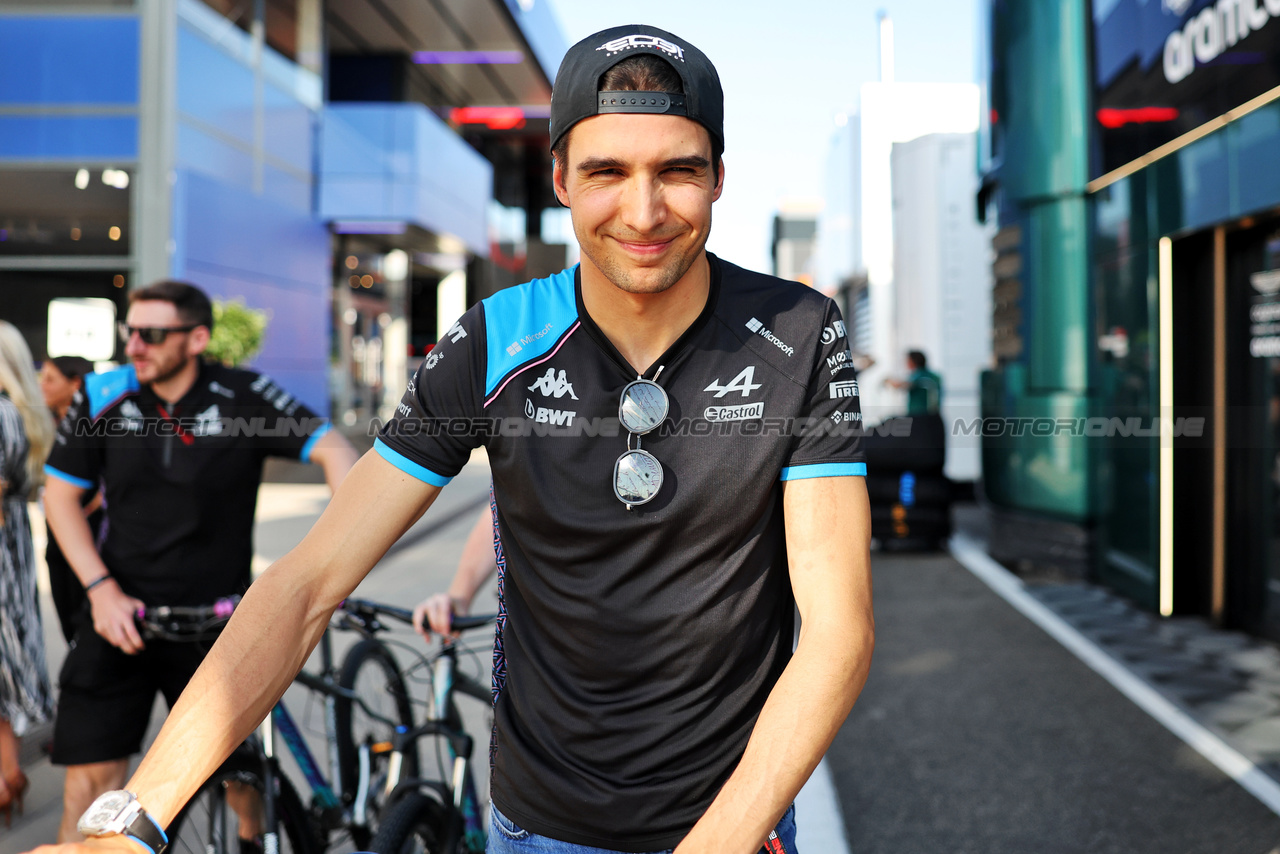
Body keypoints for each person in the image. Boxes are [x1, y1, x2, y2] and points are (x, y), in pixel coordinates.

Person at [30, 25, 873, 854]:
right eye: (606, 172)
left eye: (679, 171)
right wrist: (136, 820)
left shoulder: (798, 331)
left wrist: (722, 839)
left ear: (720, 177)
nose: (644, 211)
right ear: (561, 181)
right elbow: (306, 581)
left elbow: (839, 628)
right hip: (536, 824)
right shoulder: (496, 335)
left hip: (732, 821)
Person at [40, 280, 359, 843]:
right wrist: (99, 589)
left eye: (151, 335)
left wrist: (332, 558)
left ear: (196, 339)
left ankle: (249, 836)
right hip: (121, 620)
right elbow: (59, 496)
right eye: (130, 332)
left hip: (219, 630)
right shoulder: (102, 394)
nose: (135, 345)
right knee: (88, 789)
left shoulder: (243, 394)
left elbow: (335, 450)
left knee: (240, 782)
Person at [0, 321, 56, 827]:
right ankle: (9, 770)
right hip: (11, 551)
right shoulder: (23, 412)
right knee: (5, 657)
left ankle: (7, 776)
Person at [39, 356, 102, 643]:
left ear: (75, 383)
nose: (42, 385)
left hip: (95, 541)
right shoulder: (44, 421)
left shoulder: (104, 422)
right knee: (67, 622)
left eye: (51, 379)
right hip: (56, 542)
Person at [884, 349, 942, 415]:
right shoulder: (935, 376)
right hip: (934, 415)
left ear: (913, 361)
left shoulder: (919, 375)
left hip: (920, 415)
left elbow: (904, 384)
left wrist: (888, 381)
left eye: (907, 361)